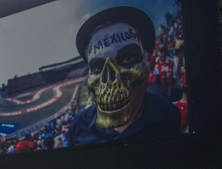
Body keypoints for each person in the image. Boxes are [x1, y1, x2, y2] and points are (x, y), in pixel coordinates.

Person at [70, 6, 181, 147]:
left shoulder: (169, 115)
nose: (110, 78)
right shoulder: (78, 126)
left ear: (147, 61)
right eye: (98, 67)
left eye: (127, 59)